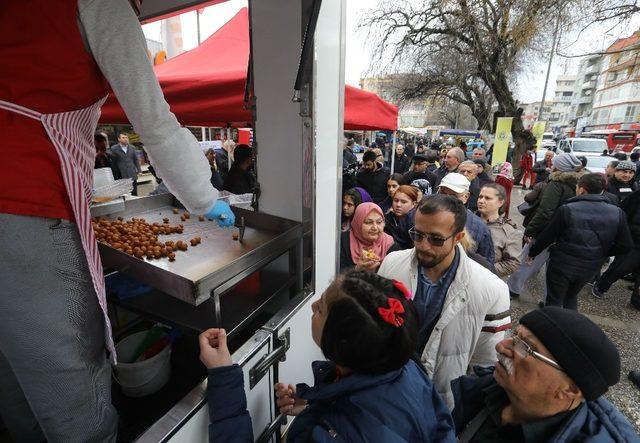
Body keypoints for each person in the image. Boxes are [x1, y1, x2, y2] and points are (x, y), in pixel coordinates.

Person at [0, 1, 235, 441]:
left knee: (15, 372)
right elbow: (155, 121)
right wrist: (204, 197)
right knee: (70, 382)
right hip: (22, 202)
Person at [200, 271, 456, 442]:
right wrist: (319, 407)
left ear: (340, 342)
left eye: (320, 308)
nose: (312, 306)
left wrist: (224, 378)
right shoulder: (406, 367)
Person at [378, 194, 510, 408]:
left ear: (458, 237)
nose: (423, 245)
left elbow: (485, 363)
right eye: (417, 235)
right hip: (386, 390)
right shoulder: (392, 263)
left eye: (436, 239)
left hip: (440, 402)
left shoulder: (492, 289)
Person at [451, 307, 637, 442]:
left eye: (525, 347)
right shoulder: (489, 385)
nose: (500, 346)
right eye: (514, 336)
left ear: (569, 389)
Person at [529, 173, 632, 310]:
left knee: (554, 299)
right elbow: (625, 245)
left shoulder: (568, 209)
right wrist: (603, 252)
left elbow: (548, 236)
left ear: (581, 189)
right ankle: (569, 327)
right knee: (571, 297)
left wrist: (533, 252)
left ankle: (550, 327)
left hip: (562, 263)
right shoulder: (617, 212)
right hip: (591, 266)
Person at [508, 153, 583, 300]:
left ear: (560, 167)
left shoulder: (556, 184)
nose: (551, 165)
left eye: (554, 163)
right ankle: (548, 299)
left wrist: (530, 231)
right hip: (564, 234)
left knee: (526, 262)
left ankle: (512, 289)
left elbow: (545, 211)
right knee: (554, 271)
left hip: (546, 232)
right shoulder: (577, 184)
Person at [593, 188, 640, 310]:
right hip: (634, 241)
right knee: (620, 267)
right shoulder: (636, 196)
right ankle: (601, 286)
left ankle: (637, 300)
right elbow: (622, 214)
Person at [437, 173, 495, 264]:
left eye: (453, 196)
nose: (446, 199)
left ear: (466, 197)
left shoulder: (479, 227)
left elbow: (486, 262)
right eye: (442, 193)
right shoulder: (422, 216)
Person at [477, 184, 522, 278]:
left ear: (500, 202)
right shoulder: (469, 218)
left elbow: (513, 263)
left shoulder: (509, 232)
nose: (481, 201)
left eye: (487, 198)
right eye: (480, 197)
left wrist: (486, 270)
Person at [339, 203, 398, 272]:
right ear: (358, 223)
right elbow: (337, 273)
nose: (375, 228)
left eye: (379, 222)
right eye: (368, 222)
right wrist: (357, 269)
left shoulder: (389, 244)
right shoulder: (343, 241)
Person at [384, 185, 419, 250]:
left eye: (403, 202)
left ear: (413, 204)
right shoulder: (388, 217)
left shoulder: (415, 221)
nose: (398, 205)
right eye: (396, 200)